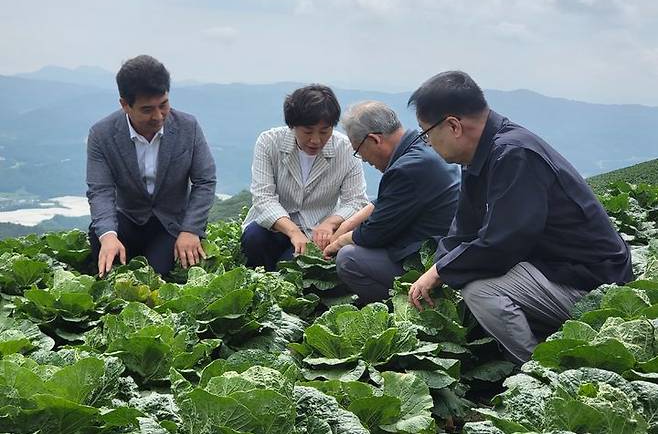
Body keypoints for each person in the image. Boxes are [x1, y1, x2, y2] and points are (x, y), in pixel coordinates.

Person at [406, 70, 633, 364]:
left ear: (453, 126)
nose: (428, 144)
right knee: (464, 272)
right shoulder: (482, 153)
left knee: (480, 290)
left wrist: (439, 272)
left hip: (593, 284)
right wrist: (441, 264)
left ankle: (537, 368)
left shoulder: (513, 154)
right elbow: (464, 229)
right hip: (551, 268)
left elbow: (502, 244)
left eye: (426, 134)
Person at [86, 55, 216, 277]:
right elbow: (100, 190)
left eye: (163, 105)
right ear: (125, 105)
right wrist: (108, 235)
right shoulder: (102, 134)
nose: (158, 116)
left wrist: (191, 230)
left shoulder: (188, 127)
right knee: (106, 267)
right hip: (126, 218)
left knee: (158, 278)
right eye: (147, 110)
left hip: (170, 224)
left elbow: (205, 181)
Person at [323, 101, 460, 303]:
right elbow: (385, 201)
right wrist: (346, 225)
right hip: (444, 243)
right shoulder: (421, 146)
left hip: (427, 258)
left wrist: (337, 243)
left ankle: (402, 310)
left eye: (359, 151)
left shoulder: (407, 169)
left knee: (348, 259)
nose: (363, 159)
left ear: (374, 140)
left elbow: (373, 235)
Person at [241, 84, 369, 271]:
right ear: (292, 126)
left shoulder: (345, 149)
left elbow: (356, 200)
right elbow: (263, 197)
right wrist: (292, 231)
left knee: (291, 266)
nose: (316, 140)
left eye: (325, 132)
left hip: (316, 231)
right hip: (275, 226)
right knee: (254, 238)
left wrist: (330, 223)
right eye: (308, 132)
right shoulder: (269, 142)